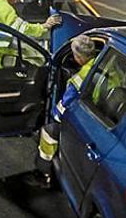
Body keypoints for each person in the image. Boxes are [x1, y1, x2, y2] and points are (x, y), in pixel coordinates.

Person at [36, 34, 98, 182]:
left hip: (84, 119)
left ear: (79, 58)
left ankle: (44, 172)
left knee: (48, 132)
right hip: (97, 110)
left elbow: (63, 107)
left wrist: (54, 114)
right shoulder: (103, 63)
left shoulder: (80, 79)